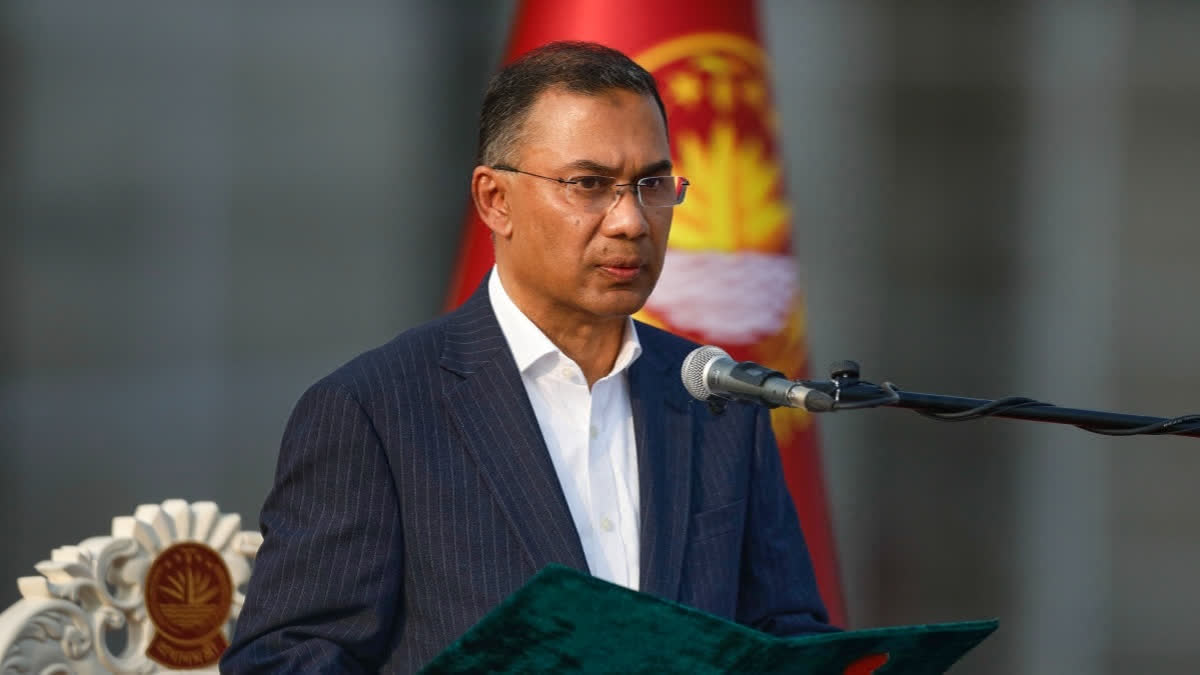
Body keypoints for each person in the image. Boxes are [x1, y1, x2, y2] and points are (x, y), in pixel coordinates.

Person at [221, 41, 834, 674]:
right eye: (589, 185)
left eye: (650, 184)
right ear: (495, 200)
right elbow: (284, 661)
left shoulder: (717, 397)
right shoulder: (375, 411)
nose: (630, 221)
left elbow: (783, 634)